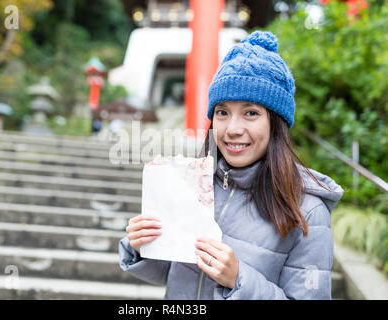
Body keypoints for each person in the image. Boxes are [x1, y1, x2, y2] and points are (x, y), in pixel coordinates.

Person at [118, 31, 344, 300]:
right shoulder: (193, 185)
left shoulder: (308, 210)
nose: (233, 129)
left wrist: (239, 279)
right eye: (222, 112)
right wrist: (143, 244)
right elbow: (170, 272)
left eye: (251, 113)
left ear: (276, 123)